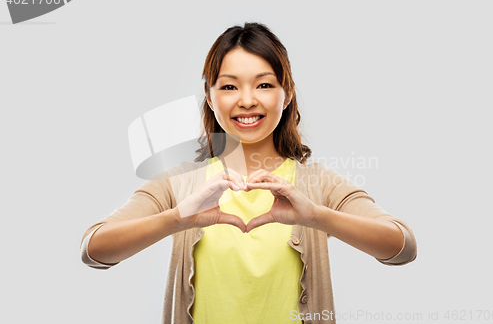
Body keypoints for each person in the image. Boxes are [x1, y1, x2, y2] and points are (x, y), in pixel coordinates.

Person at [80, 22, 417, 324]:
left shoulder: (318, 184)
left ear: (286, 95)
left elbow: (402, 247)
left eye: (264, 85)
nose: (246, 100)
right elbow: (94, 250)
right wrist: (177, 219)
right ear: (210, 98)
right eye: (229, 87)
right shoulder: (179, 182)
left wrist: (316, 216)